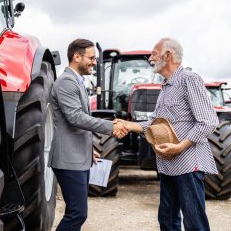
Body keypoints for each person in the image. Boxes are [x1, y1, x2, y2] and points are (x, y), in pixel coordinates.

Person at [115, 38, 218, 231]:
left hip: (188, 164)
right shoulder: (165, 86)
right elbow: (155, 125)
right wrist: (128, 124)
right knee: (167, 220)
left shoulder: (189, 79)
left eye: (154, 53)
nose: (150, 58)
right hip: (168, 164)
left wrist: (180, 146)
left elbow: (208, 121)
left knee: (194, 222)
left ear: (168, 55)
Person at [48, 38, 127, 231]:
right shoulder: (66, 82)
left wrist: (89, 150)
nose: (94, 62)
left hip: (78, 157)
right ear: (76, 57)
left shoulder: (77, 82)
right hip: (69, 160)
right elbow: (76, 118)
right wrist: (111, 127)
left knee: (77, 213)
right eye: (91, 58)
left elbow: (77, 125)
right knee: (77, 214)